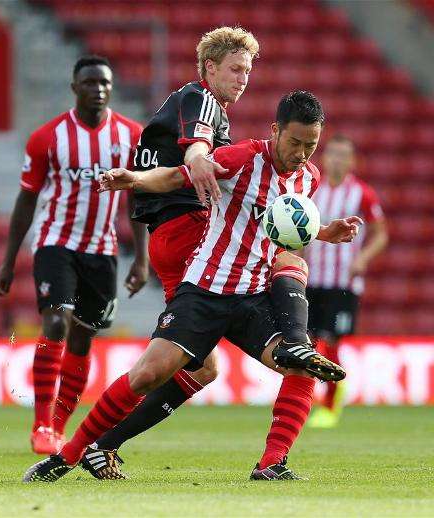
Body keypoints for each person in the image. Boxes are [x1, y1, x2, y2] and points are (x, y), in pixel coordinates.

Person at [23, 91, 362, 483]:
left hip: (252, 297)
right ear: (275, 131)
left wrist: (323, 231)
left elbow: (280, 223)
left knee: (301, 366)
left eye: (311, 146)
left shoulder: (309, 178)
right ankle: (67, 456)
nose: (301, 153)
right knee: (148, 375)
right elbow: (173, 177)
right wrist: (133, 178)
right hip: (204, 290)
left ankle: (271, 464)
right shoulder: (241, 158)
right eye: (295, 143)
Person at [65, 27, 317, 476]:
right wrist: (198, 157)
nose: (243, 79)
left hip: (168, 232)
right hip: (188, 229)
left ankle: (98, 446)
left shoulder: (205, 108)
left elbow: (170, 171)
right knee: (283, 257)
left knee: (201, 370)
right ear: (209, 68)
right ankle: (296, 343)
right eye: (235, 69)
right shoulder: (201, 100)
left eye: (248, 70)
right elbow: (196, 155)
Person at [0, 55, 148, 454]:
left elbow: (136, 201)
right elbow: (26, 199)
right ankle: (42, 423)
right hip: (55, 242)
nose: (98, 89)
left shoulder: (131, 135)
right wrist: (9, 260)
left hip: (102, 250)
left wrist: (142, 259)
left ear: (111, 88)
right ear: (75, 87)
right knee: (57, 321)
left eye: (105, 83)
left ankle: (58, 426)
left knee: (83, 337)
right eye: (90, 82)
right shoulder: (48, 137)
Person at [305, 134, 388, 428]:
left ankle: (331, 402)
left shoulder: (362, 194)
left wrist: (363, 258)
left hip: (343, 282)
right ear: (324, 158)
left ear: (352, 161)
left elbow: (381, 233)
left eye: (344, 155)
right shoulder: (313, 190)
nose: (337, 160)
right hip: (312, 280)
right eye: (333, 154)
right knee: (309, 341)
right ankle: (310, 398)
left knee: (330, 340)